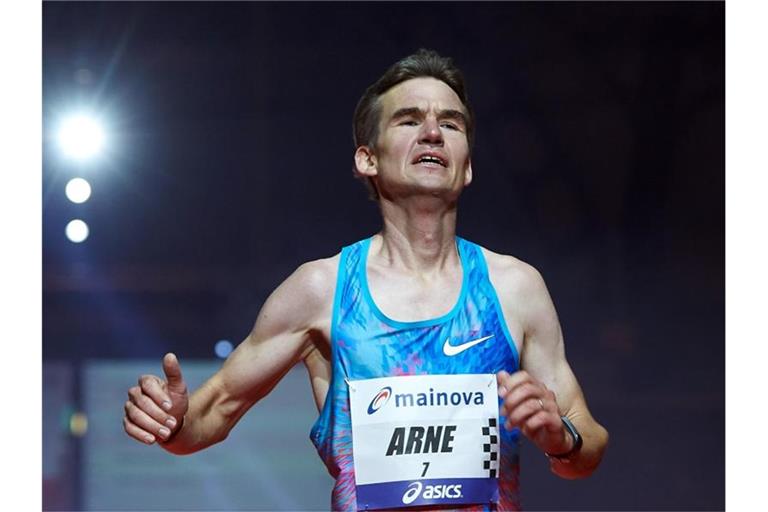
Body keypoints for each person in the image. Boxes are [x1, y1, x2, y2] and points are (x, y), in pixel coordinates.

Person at [123, 49, 609, 511]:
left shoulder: (515, 288)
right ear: (367, 159)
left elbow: (587, 447)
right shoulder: (321, 290)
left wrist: (561, 438)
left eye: (451, 123)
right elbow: (209, 417)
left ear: (467, 168)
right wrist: (170, 422)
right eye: (410, 120)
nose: (434, 133)